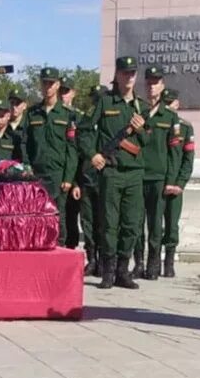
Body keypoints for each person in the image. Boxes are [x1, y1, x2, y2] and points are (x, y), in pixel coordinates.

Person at [79, 56, 147, 289]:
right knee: (109, 223)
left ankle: (122, 270)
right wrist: (93, 154)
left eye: (132, 73)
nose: (129, 77)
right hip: (111, 170)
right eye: (125, 73)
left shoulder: (142, 107)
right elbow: (84, 130)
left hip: (135, 173)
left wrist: (142, 130)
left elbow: (149, 143)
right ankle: (107, 270)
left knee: (131, 224)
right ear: (117, 75)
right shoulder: (105, 102)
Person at [22, 67, 78, 246]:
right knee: (36, 217)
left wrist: (68, 178)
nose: (47, 87)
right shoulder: (32, 113)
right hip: (36, 174)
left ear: (58, 85)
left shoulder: (68, 115)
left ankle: (59, 253)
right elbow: (24, 143)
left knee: (57, 218)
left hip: (58, 175)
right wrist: (26, 166)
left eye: (51, 83)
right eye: (44, 83)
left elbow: (72, 149)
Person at [133, 71, 179, 281]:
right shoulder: (137, 112)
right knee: (135, 223)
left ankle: (153, 264)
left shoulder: (170, 117)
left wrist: (171, 180)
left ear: (162, 85)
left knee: (155, 225)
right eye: (149, 82)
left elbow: (174, 153)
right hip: (137, 174)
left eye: (156, 82)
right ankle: (138, 263)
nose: (152, 86)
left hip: (158, 177)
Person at [161, 89, 195, 277]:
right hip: (158, 183)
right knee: (154, 225)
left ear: (178, 104)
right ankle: (153, 262)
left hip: (175, 186)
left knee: (172, 225)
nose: (169, 106)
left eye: (172, 102)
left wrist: (180, 183)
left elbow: (188, 159)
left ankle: (169, 263)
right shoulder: (157, 125)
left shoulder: (185, 127)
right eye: (166, 102)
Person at [79, 85, 108, 277]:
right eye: (94, 99)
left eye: (99, 99)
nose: (96, 103)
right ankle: (92, 259)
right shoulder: (85, 122)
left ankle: (105, 261)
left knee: (105, 223)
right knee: (88, 223)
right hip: (87, 177)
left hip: (106, 178)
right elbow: (77, 151)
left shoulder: (111, 123)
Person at [60, 77, 84, 249]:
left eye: (66, 92)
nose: (63, 96)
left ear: (73, 93)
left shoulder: (80, 118)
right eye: (61, 91)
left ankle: (71, 249)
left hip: (74, 176)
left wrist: (76, 182)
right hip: (57, 174)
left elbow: (80, 152)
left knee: (72, 216)